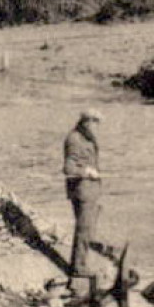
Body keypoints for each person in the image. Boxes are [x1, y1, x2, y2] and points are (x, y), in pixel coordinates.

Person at [63, 109, 103, 278]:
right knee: (84, 229)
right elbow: (68, 168)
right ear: (87, 122)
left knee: (88, 228)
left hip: (90, 190)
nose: (97, 127)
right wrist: (86, 172)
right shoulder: (74, 139)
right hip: (82, 191)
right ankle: (79, 268)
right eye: (95, 123)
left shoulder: (87, 136)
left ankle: (83, 262)